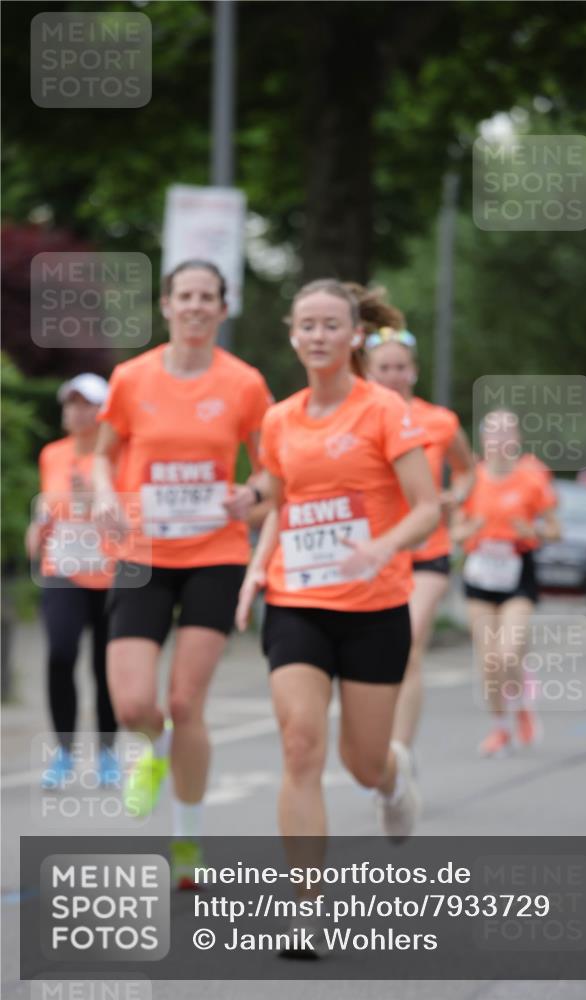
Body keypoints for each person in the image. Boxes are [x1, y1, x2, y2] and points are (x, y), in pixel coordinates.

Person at [235, 279, 439, 922]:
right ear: (292, 336)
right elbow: (282, 504)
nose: (318, 336)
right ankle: (305, 906)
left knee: (360, 762)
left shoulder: (383, 409)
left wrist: (382, 547)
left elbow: (429, 509)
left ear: (355, 336)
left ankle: (391, 774)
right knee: (299, 744)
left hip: (375, 605)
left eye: (331, 325)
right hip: (297, 599)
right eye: (307, 326)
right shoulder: (279, 419)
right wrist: (254, 568)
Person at [92, 260, 272, 887]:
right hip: (142, 552)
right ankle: (153, 751)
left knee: (183, 701)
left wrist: (252, 493)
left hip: (215, 554)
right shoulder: (131, 377)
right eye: (185, 296)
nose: (196, 306)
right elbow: (101, 457)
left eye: (208, 298)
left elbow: (273, 469)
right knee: (135, 702)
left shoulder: (245, 383)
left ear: (223, 310)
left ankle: (187, 839)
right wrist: (106, 496)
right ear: (166, 306)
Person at [363, 319, 475, 751]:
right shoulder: (359, 420)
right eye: (383, 368)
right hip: (376, 553)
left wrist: (454, 496)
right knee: (373, 655)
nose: (392, 375)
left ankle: (400, 751)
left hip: (427, 551)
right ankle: (375, 740)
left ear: (414, 371)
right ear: (369, 373)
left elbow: (467, 469)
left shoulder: (439, 421)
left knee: (407, 647)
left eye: (399, 367)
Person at [26, 374, 118, 789]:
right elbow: (46, 511)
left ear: (105, 412)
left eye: (88, 405)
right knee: (60, 654)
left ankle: (108, 754)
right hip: (63, 571)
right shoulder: (52, 455)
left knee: (106, 667)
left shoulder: (118, 455)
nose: (78, 412)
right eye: (72, 404)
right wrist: (37, 530)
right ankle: (64, 752)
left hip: (113, 574)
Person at [451, 410, 560, 757]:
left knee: (508, 652)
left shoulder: (532, 478)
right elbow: (454, 531)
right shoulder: (470, 479)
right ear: (483, 440)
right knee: (489, 660)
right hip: (480, 572)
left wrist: (536, 532)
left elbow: (556, 530)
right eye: (493, 434)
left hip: (517, 571)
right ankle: (500, 727)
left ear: (517, 439)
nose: (501, 440)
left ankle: (523, 703)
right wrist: (469, 530)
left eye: (507, 433)